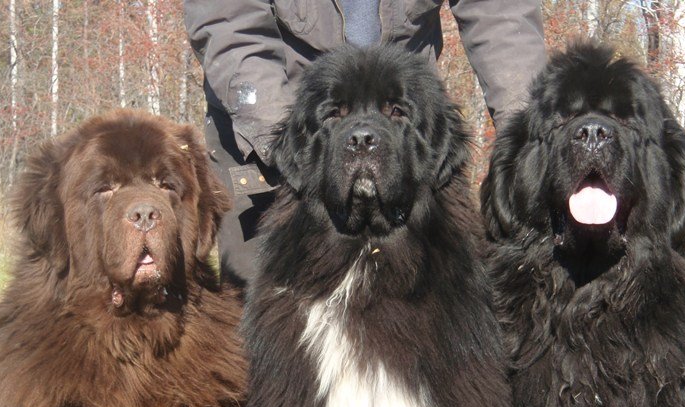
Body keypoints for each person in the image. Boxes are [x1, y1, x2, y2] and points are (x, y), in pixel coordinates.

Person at [184, 0, 547, 285]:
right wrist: (299, 144)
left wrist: (532, 139)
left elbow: (502, 18)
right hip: (279, 130)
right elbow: (230, 24)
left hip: (404, 133)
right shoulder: (294, 138)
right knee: (258, 333)